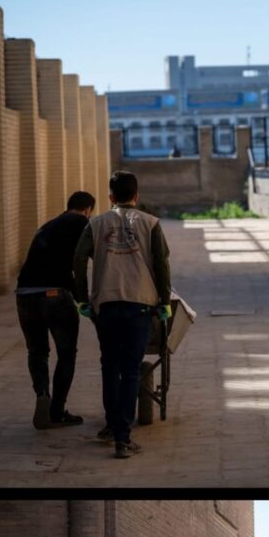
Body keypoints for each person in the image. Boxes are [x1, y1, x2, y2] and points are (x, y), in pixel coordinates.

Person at [73, 170, 171, 459]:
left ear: (110, 197)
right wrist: (164, 301)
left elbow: (78, 260)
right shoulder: (151, 224)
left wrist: (82, 299)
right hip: (139, 306)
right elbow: (162, 265)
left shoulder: (95, 224)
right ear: (137, 196)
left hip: (106, 305)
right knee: (131, 371)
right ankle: (122, 437)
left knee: (109, 367)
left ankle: (111, 425)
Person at [15, 192, 96, 429]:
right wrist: (84, 299)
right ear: (88, 209)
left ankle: (42, 394)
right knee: (66, 353)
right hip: (54, 295)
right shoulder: (82, 223)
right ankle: (57, 411)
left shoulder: (48, 226)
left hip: (25, 294)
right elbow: (82, 261)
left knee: (37, 352)